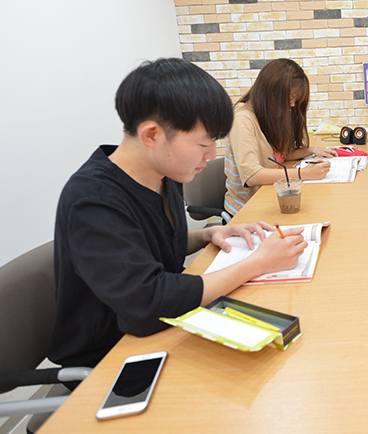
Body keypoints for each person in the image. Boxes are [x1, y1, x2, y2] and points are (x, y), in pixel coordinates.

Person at [49, 58, 308, 368]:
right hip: (113, 354)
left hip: (170, 324)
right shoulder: (92, 200)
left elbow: (149, 245)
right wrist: (258, 263)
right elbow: (148, 302)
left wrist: (208, 234)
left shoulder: (163, 173)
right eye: (203, 143)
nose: (211, 154)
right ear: (152, 135)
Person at [224, 58, 337, 215]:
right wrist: (302, 174)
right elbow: (252, 175)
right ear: (272, 92)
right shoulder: (242, 119)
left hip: (271, 196)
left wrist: (311, 150)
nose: (292, 104)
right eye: (291, 98)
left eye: (295, 99)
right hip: (247, 210)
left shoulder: (265, 113)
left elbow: (277, 155)